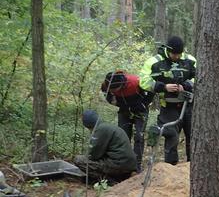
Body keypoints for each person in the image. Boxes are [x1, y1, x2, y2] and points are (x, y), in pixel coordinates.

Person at [139, 36, 196, 165]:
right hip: (168, 106)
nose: (176, 56)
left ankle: (193, 166)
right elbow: (143, 81)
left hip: (188, 105)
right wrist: (163, 87)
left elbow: (200, 76)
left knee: (193, 137)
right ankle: (171, 167)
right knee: (171, 136)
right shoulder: (154, 62)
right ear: (167, 50)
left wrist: (186, 85)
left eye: (179, 54)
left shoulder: (190, 60)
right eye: (174, 54)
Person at [101, 70, 152, 171]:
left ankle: (137, 166)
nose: (114, 91)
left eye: (115, 89)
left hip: (140, 111)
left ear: (122, 84)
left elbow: (151, 91)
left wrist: (143, 104)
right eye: (111, 89)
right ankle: (125, 164)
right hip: (124, 111)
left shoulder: (135, 81)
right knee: (123, 136)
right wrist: (116, 103)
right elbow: (107, 96)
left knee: (139, 136)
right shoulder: (106, 85)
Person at [74, 109, 137, 183]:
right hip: (128, 164)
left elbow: (93, 155)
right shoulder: (107, 126)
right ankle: (119, 177)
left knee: (79, 160)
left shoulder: (100, 130)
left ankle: (107, 181)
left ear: (87, 124)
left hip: (119, 164)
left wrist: (85, 156)